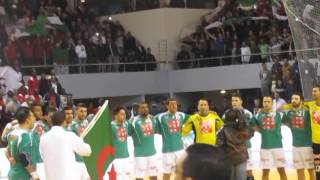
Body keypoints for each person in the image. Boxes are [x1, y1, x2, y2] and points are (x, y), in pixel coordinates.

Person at [40, 111, 91, 180]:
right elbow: (87, 151)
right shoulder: (69, 136)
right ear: (64, 121)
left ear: (52, 121)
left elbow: (42, 156)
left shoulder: (43, 138)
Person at [252, 96, 287, 180]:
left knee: (282, 171)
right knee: (265, 172)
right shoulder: (258, 115)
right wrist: (261, 131)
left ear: (272, 103)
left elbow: (288, 122)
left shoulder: (279, 114)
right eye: (264, 102)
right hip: (265, 147)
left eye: (268, 101)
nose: (266, 103)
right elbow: (252, 124)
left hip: (278, 147)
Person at [282, 93, 315, 180]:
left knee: (311, 170)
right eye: (292, 98)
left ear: (301, 101)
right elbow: (284, 122)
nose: (294, 100)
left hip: (307, 146)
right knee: (299, 171)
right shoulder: (288, 113)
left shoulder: (308, 112)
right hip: (295, 146)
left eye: (296, 98)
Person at [154, 98, 189, 180]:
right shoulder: (160, 117)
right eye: (172, 104)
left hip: (180, 149)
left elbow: (194, 117)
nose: (174, 106)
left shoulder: (181, 115)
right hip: (167, 150)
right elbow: (149, 119)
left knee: (182, 171)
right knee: (167, 172)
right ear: (167, 106)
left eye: (175, 104)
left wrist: (210, 112)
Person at [223, 94, 255, 180]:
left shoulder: (248, 113)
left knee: (249, 170)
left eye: (236, 100)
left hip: (245, 147)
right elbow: (224, 129)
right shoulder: (226, 113)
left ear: (241, 101)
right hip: (231, 149)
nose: (234, 102)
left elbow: (252, 129)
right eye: (233, 100)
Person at [217, 109, 253, 180]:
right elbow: (251, 134)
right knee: (241, 177)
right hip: (241, 156)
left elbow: (219, 144)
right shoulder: (243, 128)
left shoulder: (224, 129)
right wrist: (243, 119)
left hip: (228, 157)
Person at [6, 107, 39, 180]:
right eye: (33, 116)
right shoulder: (24, 135)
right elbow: (24, 158)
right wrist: (35, 175)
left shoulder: (12, 133)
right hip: (23, 175)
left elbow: (6, 150)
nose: (34, 119)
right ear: (27, 119)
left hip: (13, 174)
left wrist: (10, 157)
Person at [130, 102, 159, 180]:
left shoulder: (152, 119)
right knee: (139, 176)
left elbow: (157, 130)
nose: (145, 109)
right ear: (138, 110)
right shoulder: (133, 121)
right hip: (140, 154)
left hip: (152, 153)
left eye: (146, 107)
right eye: (142, 107)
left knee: (154, 175)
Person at [107, 106, 132, 180]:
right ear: (115, 115)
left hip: (126, 156)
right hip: (115, 158)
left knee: (127, 178)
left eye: (124, 114)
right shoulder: (110, 126)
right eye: (122, 114)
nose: (124, 116)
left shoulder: (126, 124)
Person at [68, 103, 90, 180]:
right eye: (81, 111)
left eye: (85, 111)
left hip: (86, 159)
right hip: (76, 161)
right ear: (76, 111)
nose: (83, 113)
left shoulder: (86, 123)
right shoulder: (71, 125)